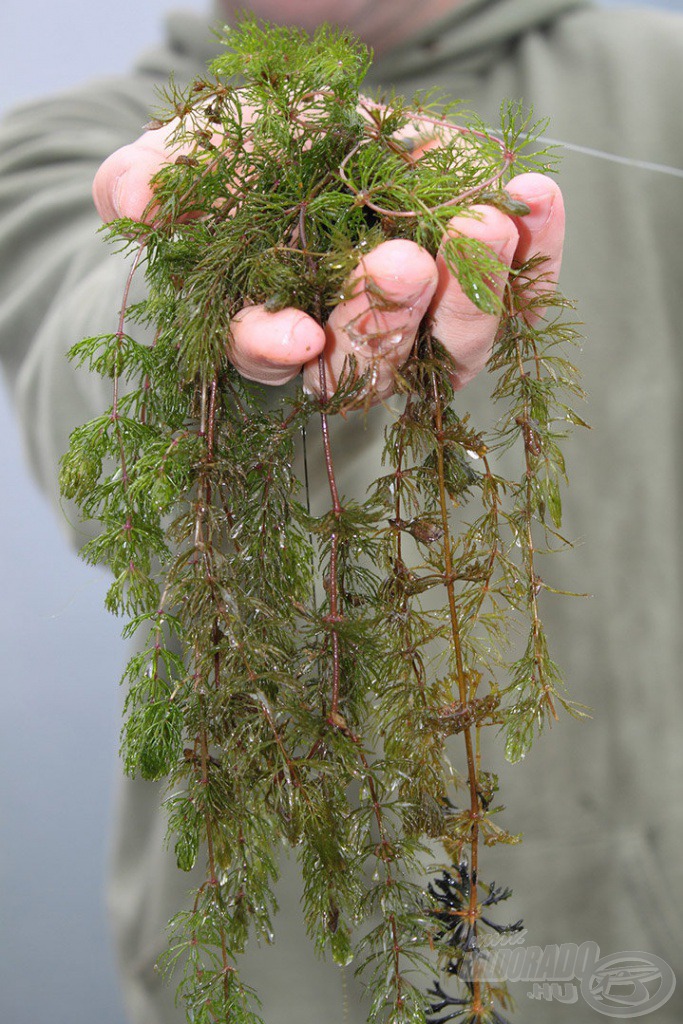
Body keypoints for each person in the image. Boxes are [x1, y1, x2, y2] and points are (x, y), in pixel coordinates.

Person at [1, 1, 682, 1022]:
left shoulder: (656, 74)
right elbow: (94, 436)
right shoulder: (57, 143)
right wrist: (201, 282)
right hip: (287, 971)